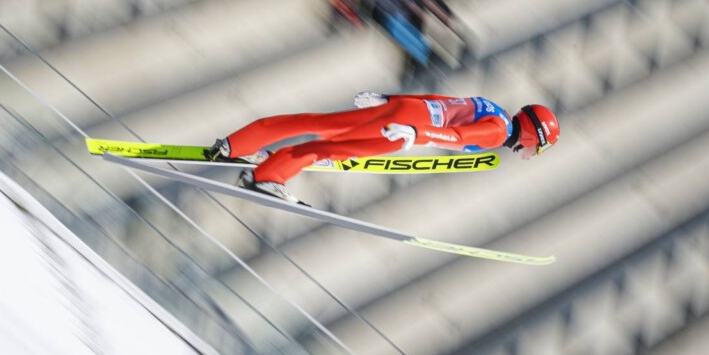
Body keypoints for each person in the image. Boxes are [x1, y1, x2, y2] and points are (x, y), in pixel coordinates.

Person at [206, 92, 560, 204]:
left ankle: (237, 144)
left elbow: (440, 99)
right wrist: (414, 134)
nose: (530, 155)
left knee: (316, 122)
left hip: (407, 110)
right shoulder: (497, 132)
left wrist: (389, 99)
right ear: (533, 136)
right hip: (405, 125)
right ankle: (266, 176)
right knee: (332, 149)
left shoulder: (493, 107)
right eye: (537, 150)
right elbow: (455, 138)